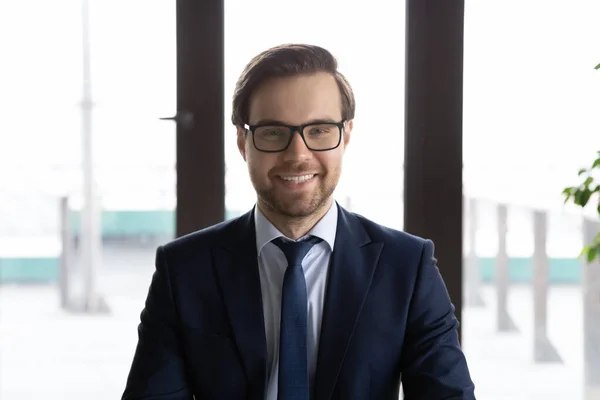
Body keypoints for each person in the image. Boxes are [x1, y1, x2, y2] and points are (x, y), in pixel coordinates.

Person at [122, 43, 475, 400]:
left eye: (319, 130)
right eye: (274, 132)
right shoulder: (184, 269)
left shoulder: (406, 267)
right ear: (244, 142)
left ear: (346, 135)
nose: (298, 155)